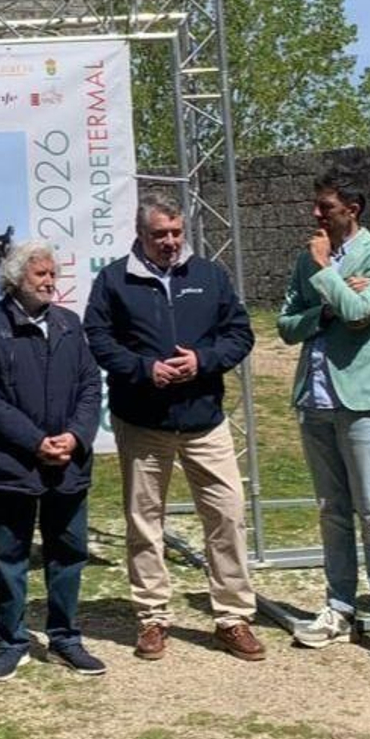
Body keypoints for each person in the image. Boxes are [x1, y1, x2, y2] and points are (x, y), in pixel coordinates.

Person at [84, 190, 265, 664]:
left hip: (205, 420)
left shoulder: (208, 275)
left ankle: (232, 617)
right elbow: (98, 339)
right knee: (145, 521)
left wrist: (203, 361)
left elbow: (240, 334)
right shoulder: (114, 280)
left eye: (175, 233)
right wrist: (145, 369)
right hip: (143, 422)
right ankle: (152, 618)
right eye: (159, 234)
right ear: (140, 235)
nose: (169, 242)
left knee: (226, 514)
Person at [277, 168, 370, 665]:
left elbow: (362, 312)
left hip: (363, 402)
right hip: (314, 401)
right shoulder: (307, 258)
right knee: (332, 509)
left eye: (326, 207)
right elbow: (287, 325)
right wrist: (326, 307)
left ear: (351, 210)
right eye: (317, 205)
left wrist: (327, 277)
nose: (316, 214)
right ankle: (338, 607)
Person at [0, 240, 106, 681]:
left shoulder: (68, 324)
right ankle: (11, 642)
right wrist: (35, 441)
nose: (49, 282)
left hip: (68, 463)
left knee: (68, 552)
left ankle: (65, 639)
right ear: (15, 278)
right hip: (16, 465)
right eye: (40, 274)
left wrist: (76, 436)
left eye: (52, 275)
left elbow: (90, 385)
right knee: (11, 556)